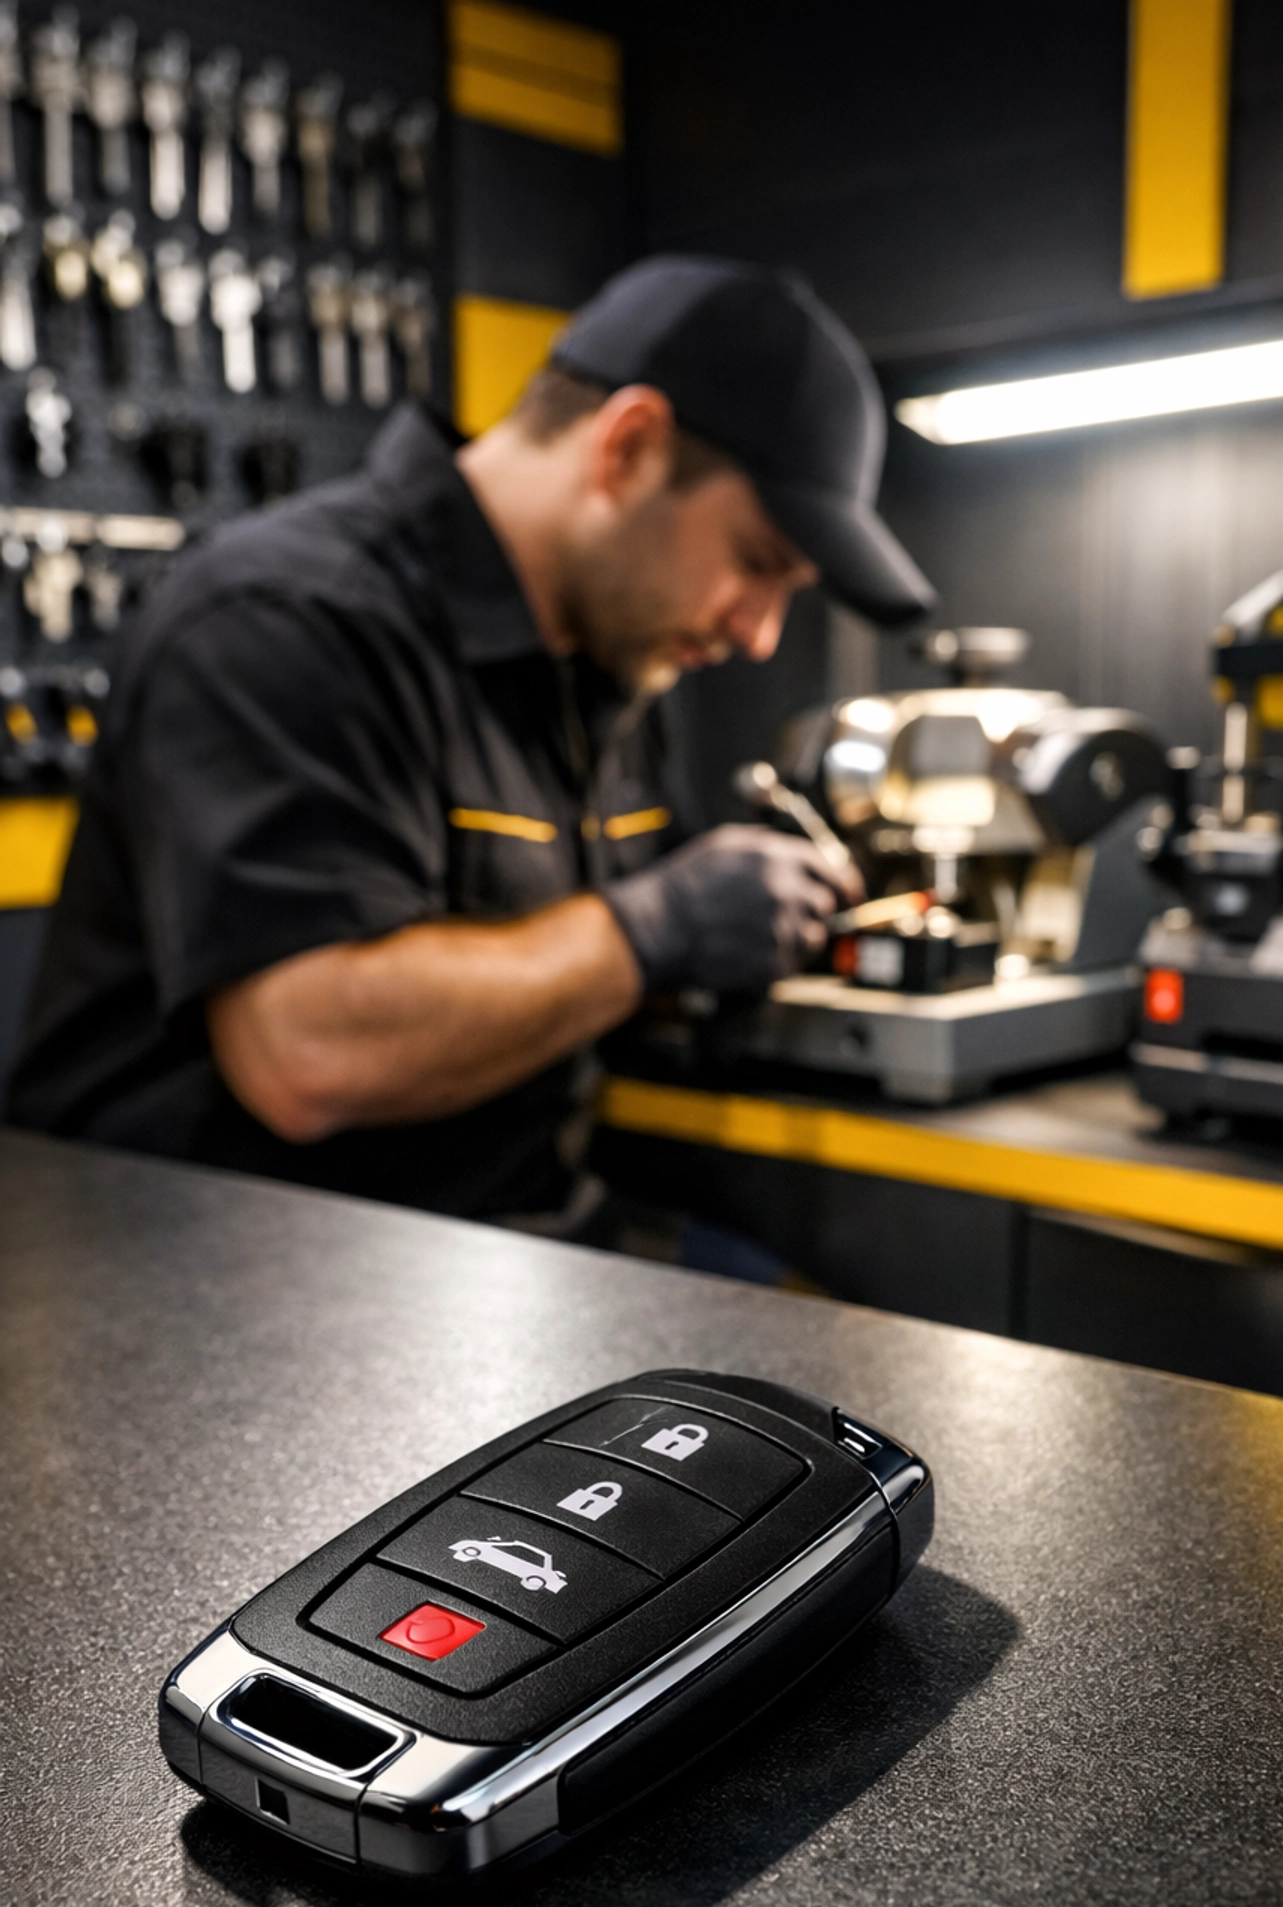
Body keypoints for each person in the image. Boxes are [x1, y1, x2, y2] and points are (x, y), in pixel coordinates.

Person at [7, 256, 933, 1221]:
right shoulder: (283, 623)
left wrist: (760, 926)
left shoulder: (617, 655)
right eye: (756, 564)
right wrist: (657, 928)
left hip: (500, 1263)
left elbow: (592, 967)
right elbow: (309, 1054)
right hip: (212, 1296)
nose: (758, 634)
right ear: (627, 448)